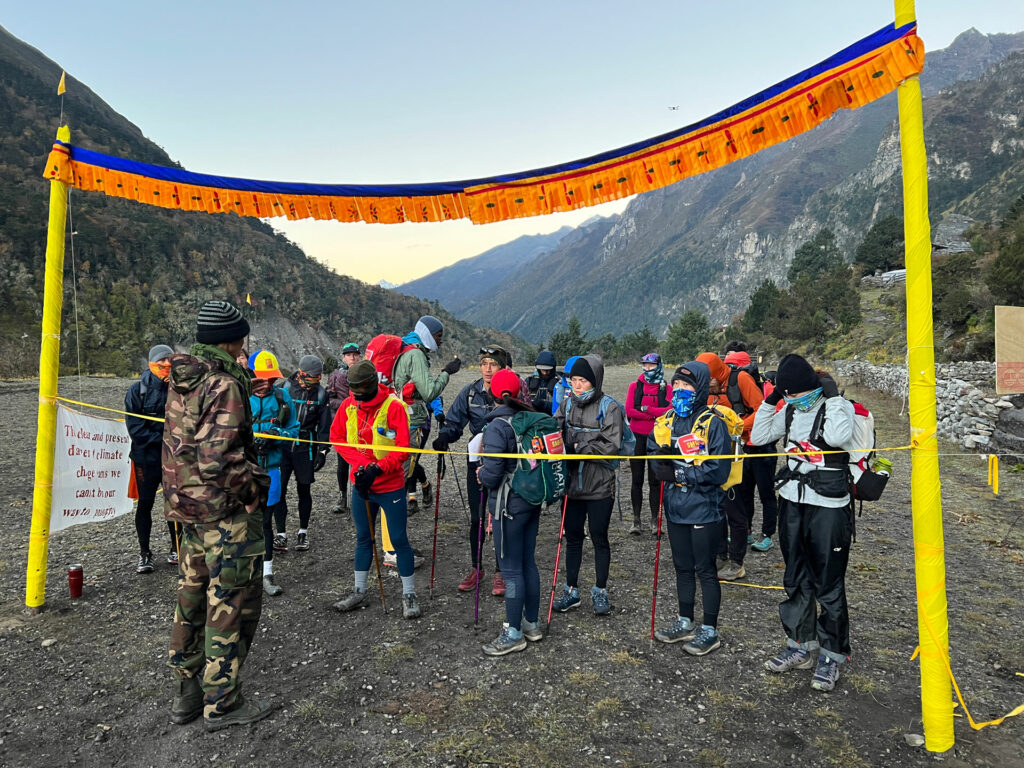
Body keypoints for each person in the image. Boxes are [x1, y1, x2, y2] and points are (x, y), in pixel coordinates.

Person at [162, 300, 273, 731]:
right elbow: (217, 459)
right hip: (224, 514)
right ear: (233, 338)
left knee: (190, 597)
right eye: (242, 338)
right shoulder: (223, 384)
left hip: (187, 509)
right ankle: (222, 701)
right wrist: (251, 493)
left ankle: (187, 690)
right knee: (231, 603)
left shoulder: (182, 379)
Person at [751, 354, 857, 692]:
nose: (792, 400)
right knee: (796, 575)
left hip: (829, 506)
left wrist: (835, 397)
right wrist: (771, 399)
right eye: (788, 395)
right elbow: (759, 435)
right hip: (794, 501)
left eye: (795, 394)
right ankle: (800, 644)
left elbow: (839, 438)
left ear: (811, 387)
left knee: (828, 581)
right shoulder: (791, 407)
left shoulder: (838, 407)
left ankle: (832, 655)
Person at [649, 361, 731, 656]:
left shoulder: (713, 423)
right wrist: (658, 461)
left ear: (700, 388)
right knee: (682, 567)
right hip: (675, 507)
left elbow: (719, 471)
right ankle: (685, 621)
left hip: (704, 509)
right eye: (677, 385)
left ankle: (710, 629)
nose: (680, 390)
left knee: (705, 569)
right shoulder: (669, 419)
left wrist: (679, 474)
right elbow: (654, 448)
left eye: (686, 386)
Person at [330, 359, 421, 619]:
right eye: (353, 392)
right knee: (363, 538)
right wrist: (361, 467)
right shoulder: (348, 406)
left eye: (360, 392)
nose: (356, 398)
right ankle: (358, 591)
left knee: (398, 539)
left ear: (371, 385)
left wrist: (378, 468)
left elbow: (403, 448)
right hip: (361, 485)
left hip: (390, 485)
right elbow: (336, 438)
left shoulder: (394, 407)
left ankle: (409, 593)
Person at [433, 345, 510, 596]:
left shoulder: (512, 390)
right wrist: (445, 436)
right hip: (477, 461)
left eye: (493, 364)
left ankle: (501, 570)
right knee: (477, 517)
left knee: (502, 516)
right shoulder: (470, 392)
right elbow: (455, 422)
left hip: (506, 463)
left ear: (503, 367)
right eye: (484, 363)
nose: (488, 369)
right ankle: (478, 567)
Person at [478, 369, 544, 655]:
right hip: (532, 499)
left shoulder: (497, 426)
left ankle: (513, 632)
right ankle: (531, 623)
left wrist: (481, 472)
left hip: (508, 505)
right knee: (528, 562)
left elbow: (492, 474)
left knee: (510, 568)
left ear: (493, 393)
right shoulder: (528, 419)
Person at [552, 354, 623, 615]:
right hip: (571, 486)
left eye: (583, 380)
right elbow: (554, 430)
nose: (577, 385)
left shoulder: (610, 407)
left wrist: (579, 446)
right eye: (574, 380)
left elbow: (611, 445)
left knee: (599, 537)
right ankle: (571, 590)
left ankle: (600, 590)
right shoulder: (567, 403)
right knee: (572, 538)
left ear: (595, 381)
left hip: (599, 487)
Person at [696, 352, 764, 581]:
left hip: (737, 453)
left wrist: (736, 428)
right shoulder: (706, 387)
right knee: (715, 508)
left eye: (709, 380)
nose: (707, 385)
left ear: (717, 372)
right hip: (712, 455)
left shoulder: (740, 380)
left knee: (735, 510)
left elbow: (762, 409)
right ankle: (719, 556)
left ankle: (736, 562)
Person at [392, 315, 461, 515]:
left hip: (397, 418)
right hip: (410, 422)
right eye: (438, 336)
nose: (440, 341)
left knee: (400, 469)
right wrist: (447, 372)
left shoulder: (405, 349)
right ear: (428, 334)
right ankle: (394, 532)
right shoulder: (416, 355)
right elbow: (430, 392)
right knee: (404, 473)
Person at [248, 349, 300, 596]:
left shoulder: (283, 397)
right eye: (262, 378)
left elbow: (295, 430)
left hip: (272, 468)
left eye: (272, 379)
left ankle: (267, 574)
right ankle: (244, 573)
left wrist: (277, 437)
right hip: (244, 468)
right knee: (244, 521)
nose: (267, 384)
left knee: (266, 522)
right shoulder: (238, 397)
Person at [125, 344, 177, 573]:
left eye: (170, 360)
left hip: (173, 459)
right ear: (151, 364)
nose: (166, 365)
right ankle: (144, 552)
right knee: (145, 504)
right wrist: (164, 437)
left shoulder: (179, 389)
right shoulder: (136, 391)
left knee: (174, 504)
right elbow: (135, 429)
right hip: (145, 459)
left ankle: (176, 548)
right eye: (161, 361)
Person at [277, 354, 332, 552]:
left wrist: (323, 451)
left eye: (319, 377)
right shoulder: (283, 388)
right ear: (301, 374)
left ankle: (303, 533)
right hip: (283, 446)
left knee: (304, 489)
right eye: (313, 377)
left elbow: (325, 425)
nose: (316, 381)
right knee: (279, 490)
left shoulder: (320, 394)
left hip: (306, 446)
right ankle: (281, 534)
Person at [725, 348, 778, 552]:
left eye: (732, 366)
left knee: (766, 493)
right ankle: (746, 532)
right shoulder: (732, 388)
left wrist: (739, 426)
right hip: (743, 447)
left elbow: (768, 412)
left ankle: (767, 535)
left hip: (763, 449)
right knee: (744, 492)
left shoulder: (763, 388)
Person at [624, 353, 672, 535]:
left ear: (659, 365)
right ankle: (636, 520)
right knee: (636, 480)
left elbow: (669, 411)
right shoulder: (634, 386)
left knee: (655, 480)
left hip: (657, 437)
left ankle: (655, 519)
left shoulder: (666, 388)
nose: (648, 368)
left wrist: (646, 409)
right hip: (637, 437)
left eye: (652, 365)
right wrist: (654, 414)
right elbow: (629, 410)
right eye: (645, 364)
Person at [327, 342, 362, 514]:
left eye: (355, 354)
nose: (352, 357)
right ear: (343, 357)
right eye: (349, 355)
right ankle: (342, 497)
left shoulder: (366, 373)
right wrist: (347, 404)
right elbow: (330, 399)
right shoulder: (335, 375)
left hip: (363, 424)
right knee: (342, 464)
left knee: (362, 460)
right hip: (343, 423)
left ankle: (362, 496)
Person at [526, 349, 558, 414]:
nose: (545, 373)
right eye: (542, 370)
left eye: (548, 370)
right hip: (532, 416)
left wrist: (542, 404)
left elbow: (563, 408)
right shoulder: (529, 381)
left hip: (551, 418)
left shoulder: (559, 383)